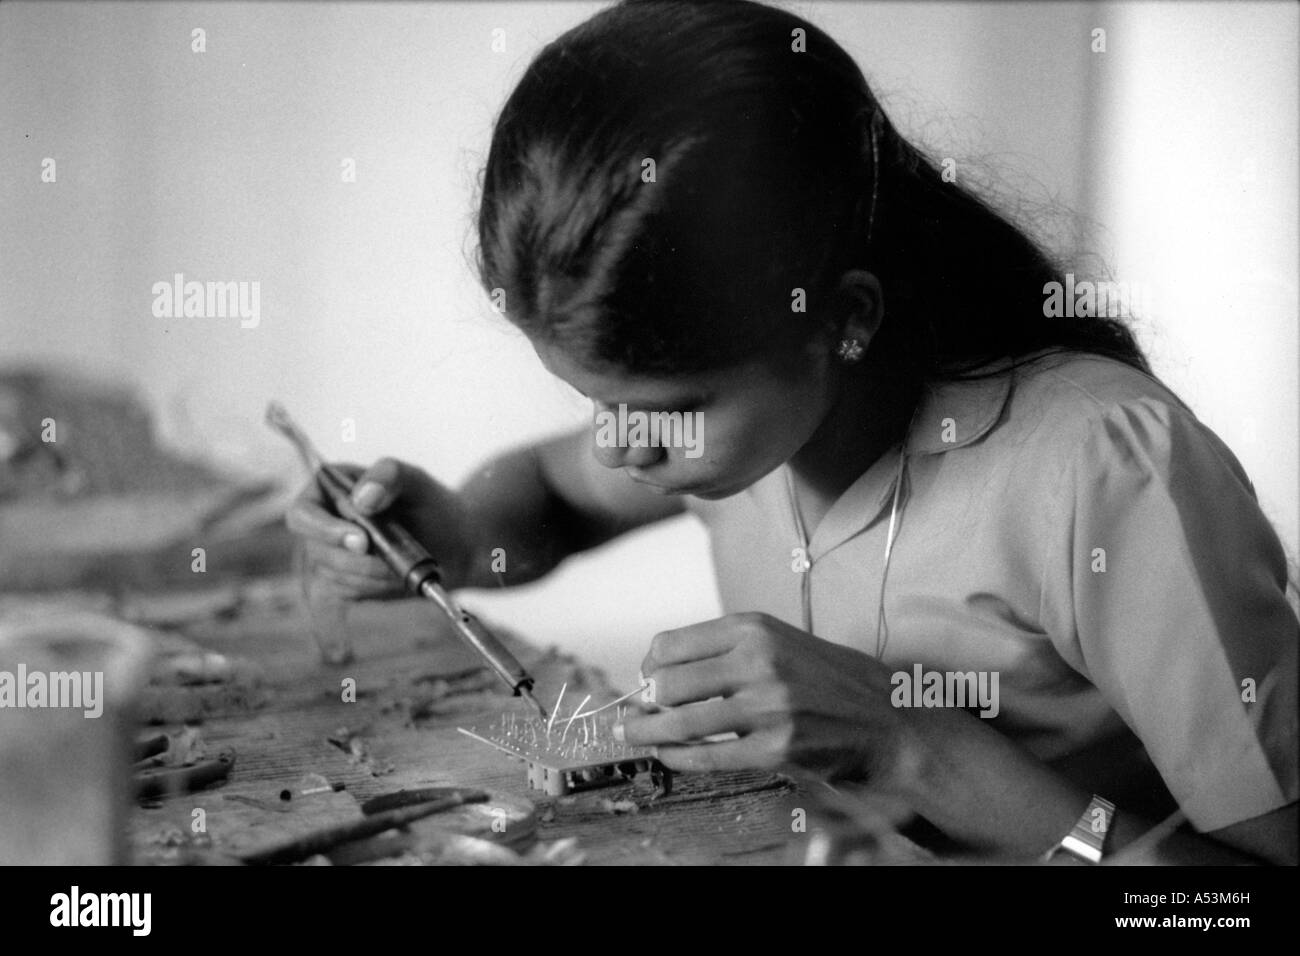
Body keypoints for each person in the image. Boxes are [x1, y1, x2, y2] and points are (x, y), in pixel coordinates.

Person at [288, 0, 1297, 863]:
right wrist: (456, 530)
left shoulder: (1106, 467)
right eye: (593, 401)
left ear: (843, 320)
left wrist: (910, 741)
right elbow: (548, 497)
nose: (618, 448)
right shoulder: (751, 425)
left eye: (672, 405)